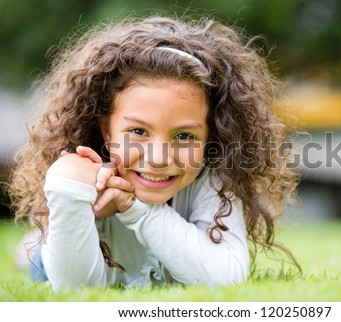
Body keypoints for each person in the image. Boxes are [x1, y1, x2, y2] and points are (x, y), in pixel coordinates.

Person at [9, 15, 300, 291]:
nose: (159, 157)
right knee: (38, 259)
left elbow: (228, 277)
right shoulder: (90, 181)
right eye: (138, 131)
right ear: (107, 131)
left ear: (212, 137)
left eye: (184, 136)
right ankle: (31, 247)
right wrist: (68, 188)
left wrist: (135, 208)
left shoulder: (213, 180)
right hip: (56, 261)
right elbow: (75, 290)